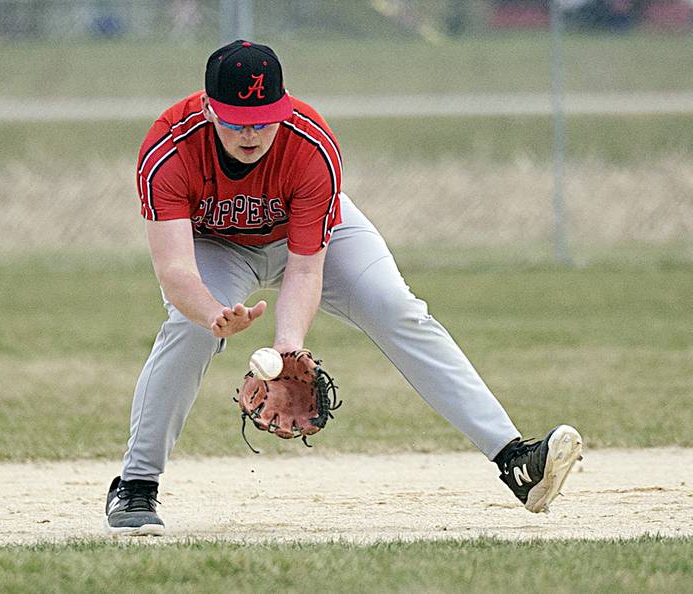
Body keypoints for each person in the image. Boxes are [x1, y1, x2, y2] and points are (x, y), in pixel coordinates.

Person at [104, 40, 583, 535]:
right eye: (235, 120)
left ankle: (515, 460)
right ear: (207, 110)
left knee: (395, 307)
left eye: (264, 118)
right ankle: (136, 485)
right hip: (217, 247)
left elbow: (306, 269)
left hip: (303, 235)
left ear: (283, 106)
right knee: (190, 330)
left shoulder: (309, 143)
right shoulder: (170, 148)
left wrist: (288, 346)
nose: (251, 132)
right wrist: (211, 314)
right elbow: (175, 268)